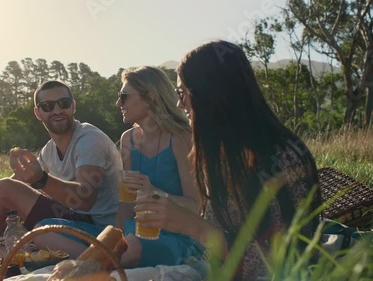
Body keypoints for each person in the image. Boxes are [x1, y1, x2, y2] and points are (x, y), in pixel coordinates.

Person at [134, 40, 322, 280]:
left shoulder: (284, 159)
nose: (181, 105)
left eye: (183, 93)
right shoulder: (222, 156)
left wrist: (192, 225)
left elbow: (272, 265)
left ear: (211, 93)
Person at [32, 66, 206, 271]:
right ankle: (97, 261)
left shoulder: (179, 138)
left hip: (175, 236)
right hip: (134, 232)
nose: (118, 103)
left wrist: (154, 192)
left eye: (123, 97)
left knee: (130, 248)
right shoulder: (128, 139)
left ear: (149, 98)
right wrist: (113, 238)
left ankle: (85, 269)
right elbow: (125, 203)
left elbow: (196, 206)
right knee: (42, 230)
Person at [0, 81, 121, 244]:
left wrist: (41, 180)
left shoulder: (89, 139)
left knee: (6, 188)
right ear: (38, 113)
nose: (57, 110)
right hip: (76, 221)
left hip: (105, 232)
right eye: (47, 106)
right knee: (5, 188)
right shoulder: (49, 150)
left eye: (64, 103)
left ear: (73, 106)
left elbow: (85, 200)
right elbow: (16, 186)